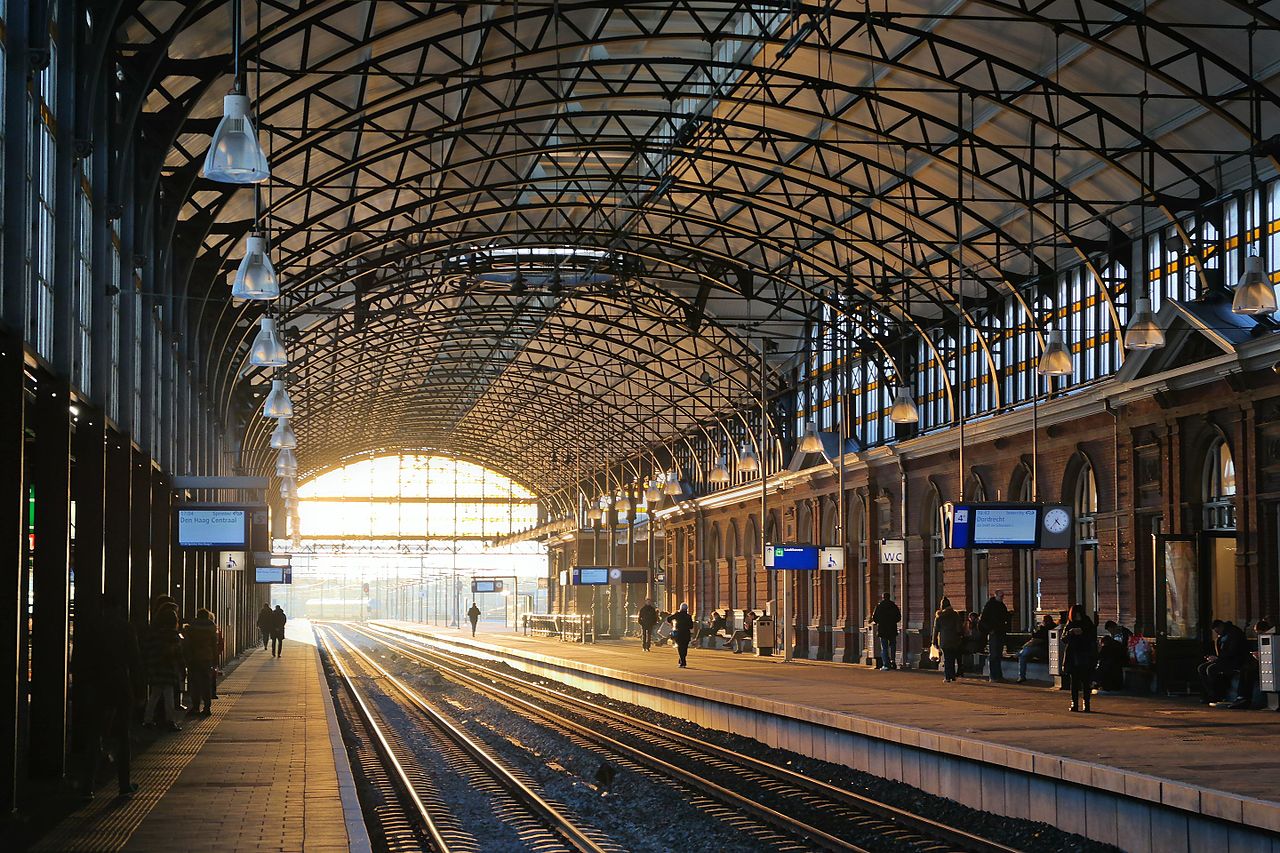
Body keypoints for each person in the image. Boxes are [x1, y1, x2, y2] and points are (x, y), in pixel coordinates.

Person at [74, 593, 141, 800]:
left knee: (94, 736)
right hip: (120, 684)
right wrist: (140, 690)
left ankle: (87, 787)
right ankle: (123, 785)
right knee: (122, 736)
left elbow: (78, 659)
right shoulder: (126, 628)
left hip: (96, 686)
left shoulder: (90, 628)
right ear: (119, 607)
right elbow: (135, 660)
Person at [143, 603, 184, 731]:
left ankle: (147, 720)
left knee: (154, 696)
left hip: (155, 668)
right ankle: (170, 720)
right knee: (169, 696)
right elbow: (178, 655)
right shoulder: (173, 636)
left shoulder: (154, 634)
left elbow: (148, 650)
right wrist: (182, 670)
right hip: (168, 669)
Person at [1199, 619, 1248, 705]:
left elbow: (1233, 652)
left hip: (1235, 660)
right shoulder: (1223, 635)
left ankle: (1217, 694)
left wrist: (1217, 658)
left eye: (1218, 631)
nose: (1218, 634)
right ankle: (1210, 693)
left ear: (1221, 626)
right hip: (1223, 659)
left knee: (1211, 669)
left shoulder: (1234, 633)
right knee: (1202, 668)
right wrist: (1213, 657)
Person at [1061, 604, 1098, 712]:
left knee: (1084, 681)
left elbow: (1092, 636)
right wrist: (1071, 632)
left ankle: (1085, 703)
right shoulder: (1071, 623)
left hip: (1083, 653)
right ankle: (1076, 703)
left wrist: (1082, 633)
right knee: (1076, 681)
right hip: (1075, 654)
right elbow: (1063, 638)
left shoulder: (1086, 623)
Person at [183, 608, 218, 717]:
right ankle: (207, 707)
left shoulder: (191, 627)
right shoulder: (212, 628)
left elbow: (187, 644)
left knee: (195, 684)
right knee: (206, 683)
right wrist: (215, 659)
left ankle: (195, 707)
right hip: (207, 658)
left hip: (194, 658)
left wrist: (186, 657)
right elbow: (214, 645)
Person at [979, 590, 1010, 682]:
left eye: (1002, 596)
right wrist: (990, 630)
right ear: (995, 595)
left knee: (998, 654)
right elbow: (983, 620)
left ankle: (998, 675)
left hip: (999, 632)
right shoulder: (990, 606)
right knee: (994, 654)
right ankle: (993, 676)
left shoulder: (1001, 605)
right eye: (1000, 596)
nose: (1001, 598)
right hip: (994, 633)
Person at [932, 598, 965, 682]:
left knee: (947, 658)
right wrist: (960, 636)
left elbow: (935, 630)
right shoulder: (955, 615)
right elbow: (959, 629)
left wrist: (934, 642)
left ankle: (947, 677)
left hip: (944, 640)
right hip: (954, 640)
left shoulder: (939, 616)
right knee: (952, 657)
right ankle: (953, 676)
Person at [1017, 614, 1055, 683]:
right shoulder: (1052, 627)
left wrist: (1025, 646)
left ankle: (1021, 676)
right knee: (1024, 652)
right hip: (1046, 650)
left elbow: (1035, 640)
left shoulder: (1044, 629)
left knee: (1024, 653)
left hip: (1043, 650)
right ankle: (1020, 654)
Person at [870, 592, 901, 670]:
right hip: (892, 629)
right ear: (889, 597)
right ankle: (893, 661)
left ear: (883, 597)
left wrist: (879, 622)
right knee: (893, 646)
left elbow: (874, 617)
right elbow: (898, 617)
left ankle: (886, 664)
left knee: (884, 647)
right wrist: (892, 622)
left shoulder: (879, 606)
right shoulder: (893, 606)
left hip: (882, 629)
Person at [666, 603, 695, 668]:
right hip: (686, 634)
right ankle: (682, 660)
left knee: (680, 647)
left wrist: (673, 623)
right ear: (686, 609)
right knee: (685, 648)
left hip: (678, 633)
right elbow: (691, 626)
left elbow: (668, 619)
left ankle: (682, 661)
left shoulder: (677, 614)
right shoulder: (688, 616)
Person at [960, 612, 981, 677]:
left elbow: (977, 636)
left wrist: (968, 637)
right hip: (968, 643)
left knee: (965, 650)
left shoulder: (977, 626)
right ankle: (963, 667)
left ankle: (966, 667)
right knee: (961, 650)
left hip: (974, 643)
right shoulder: (967, 624)